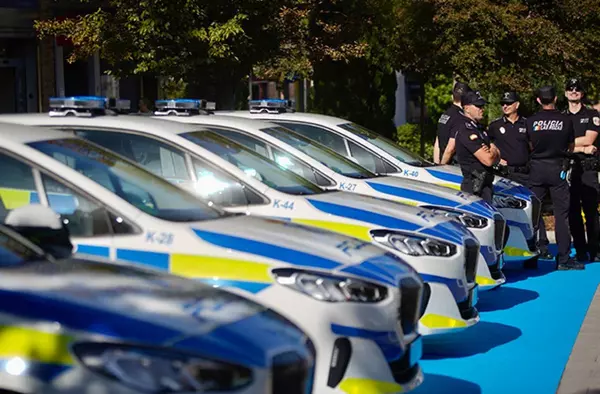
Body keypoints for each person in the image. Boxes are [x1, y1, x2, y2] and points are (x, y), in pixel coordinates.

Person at [488, 91, 553, 260]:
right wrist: (497, 159)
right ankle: (505, 248)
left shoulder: (527, 124)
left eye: (508, 103)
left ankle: (541, 246)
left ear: (517, 104)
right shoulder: (495, 126)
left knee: (533, 211)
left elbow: (534, 147)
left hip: (525, 174)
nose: (505, 106)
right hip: (504, 175)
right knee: (503, 211)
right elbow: (487, 145)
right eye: (503, 103)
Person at [526, 85, 581, 270]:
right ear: (556, 99)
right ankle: (564, 258)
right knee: (561, 215)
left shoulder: (531, 121)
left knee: (533, 214)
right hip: (558, 168)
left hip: (537, 169)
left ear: (539, 100)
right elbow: (571, 146)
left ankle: (531, 254)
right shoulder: (565, 120)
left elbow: (530, 145)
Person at [563, 78, 600, 262]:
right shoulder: (561, 117)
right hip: (569, 170)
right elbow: (558, 144)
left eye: (577, 89)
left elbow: (589, 140)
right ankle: (580, 249)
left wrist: (570, 145)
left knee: (592, 212)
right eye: (570, 89)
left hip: (587, 170)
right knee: (573, 213)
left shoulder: (592, 114)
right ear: (565, 93)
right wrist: (581, 147)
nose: (574, 91)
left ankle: (595, 249)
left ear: (582, 93)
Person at [454, 90, 501, 202]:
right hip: (474, 186)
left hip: (485, 184)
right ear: (467, 108)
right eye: (478, 106)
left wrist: (492, 150)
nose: (482, 109)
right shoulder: (466, 130)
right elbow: (488, 160)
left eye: (482, 106)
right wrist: (492, 151)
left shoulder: (479, 128)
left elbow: (498, 155)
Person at [434, 82, 471, 165]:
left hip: (443, 163)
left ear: (452, 97)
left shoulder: (444, 115)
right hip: (453, 166)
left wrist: (436, 164)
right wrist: (442, 166)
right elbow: (451, 148)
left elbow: (438, 141)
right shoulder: (461, 118)